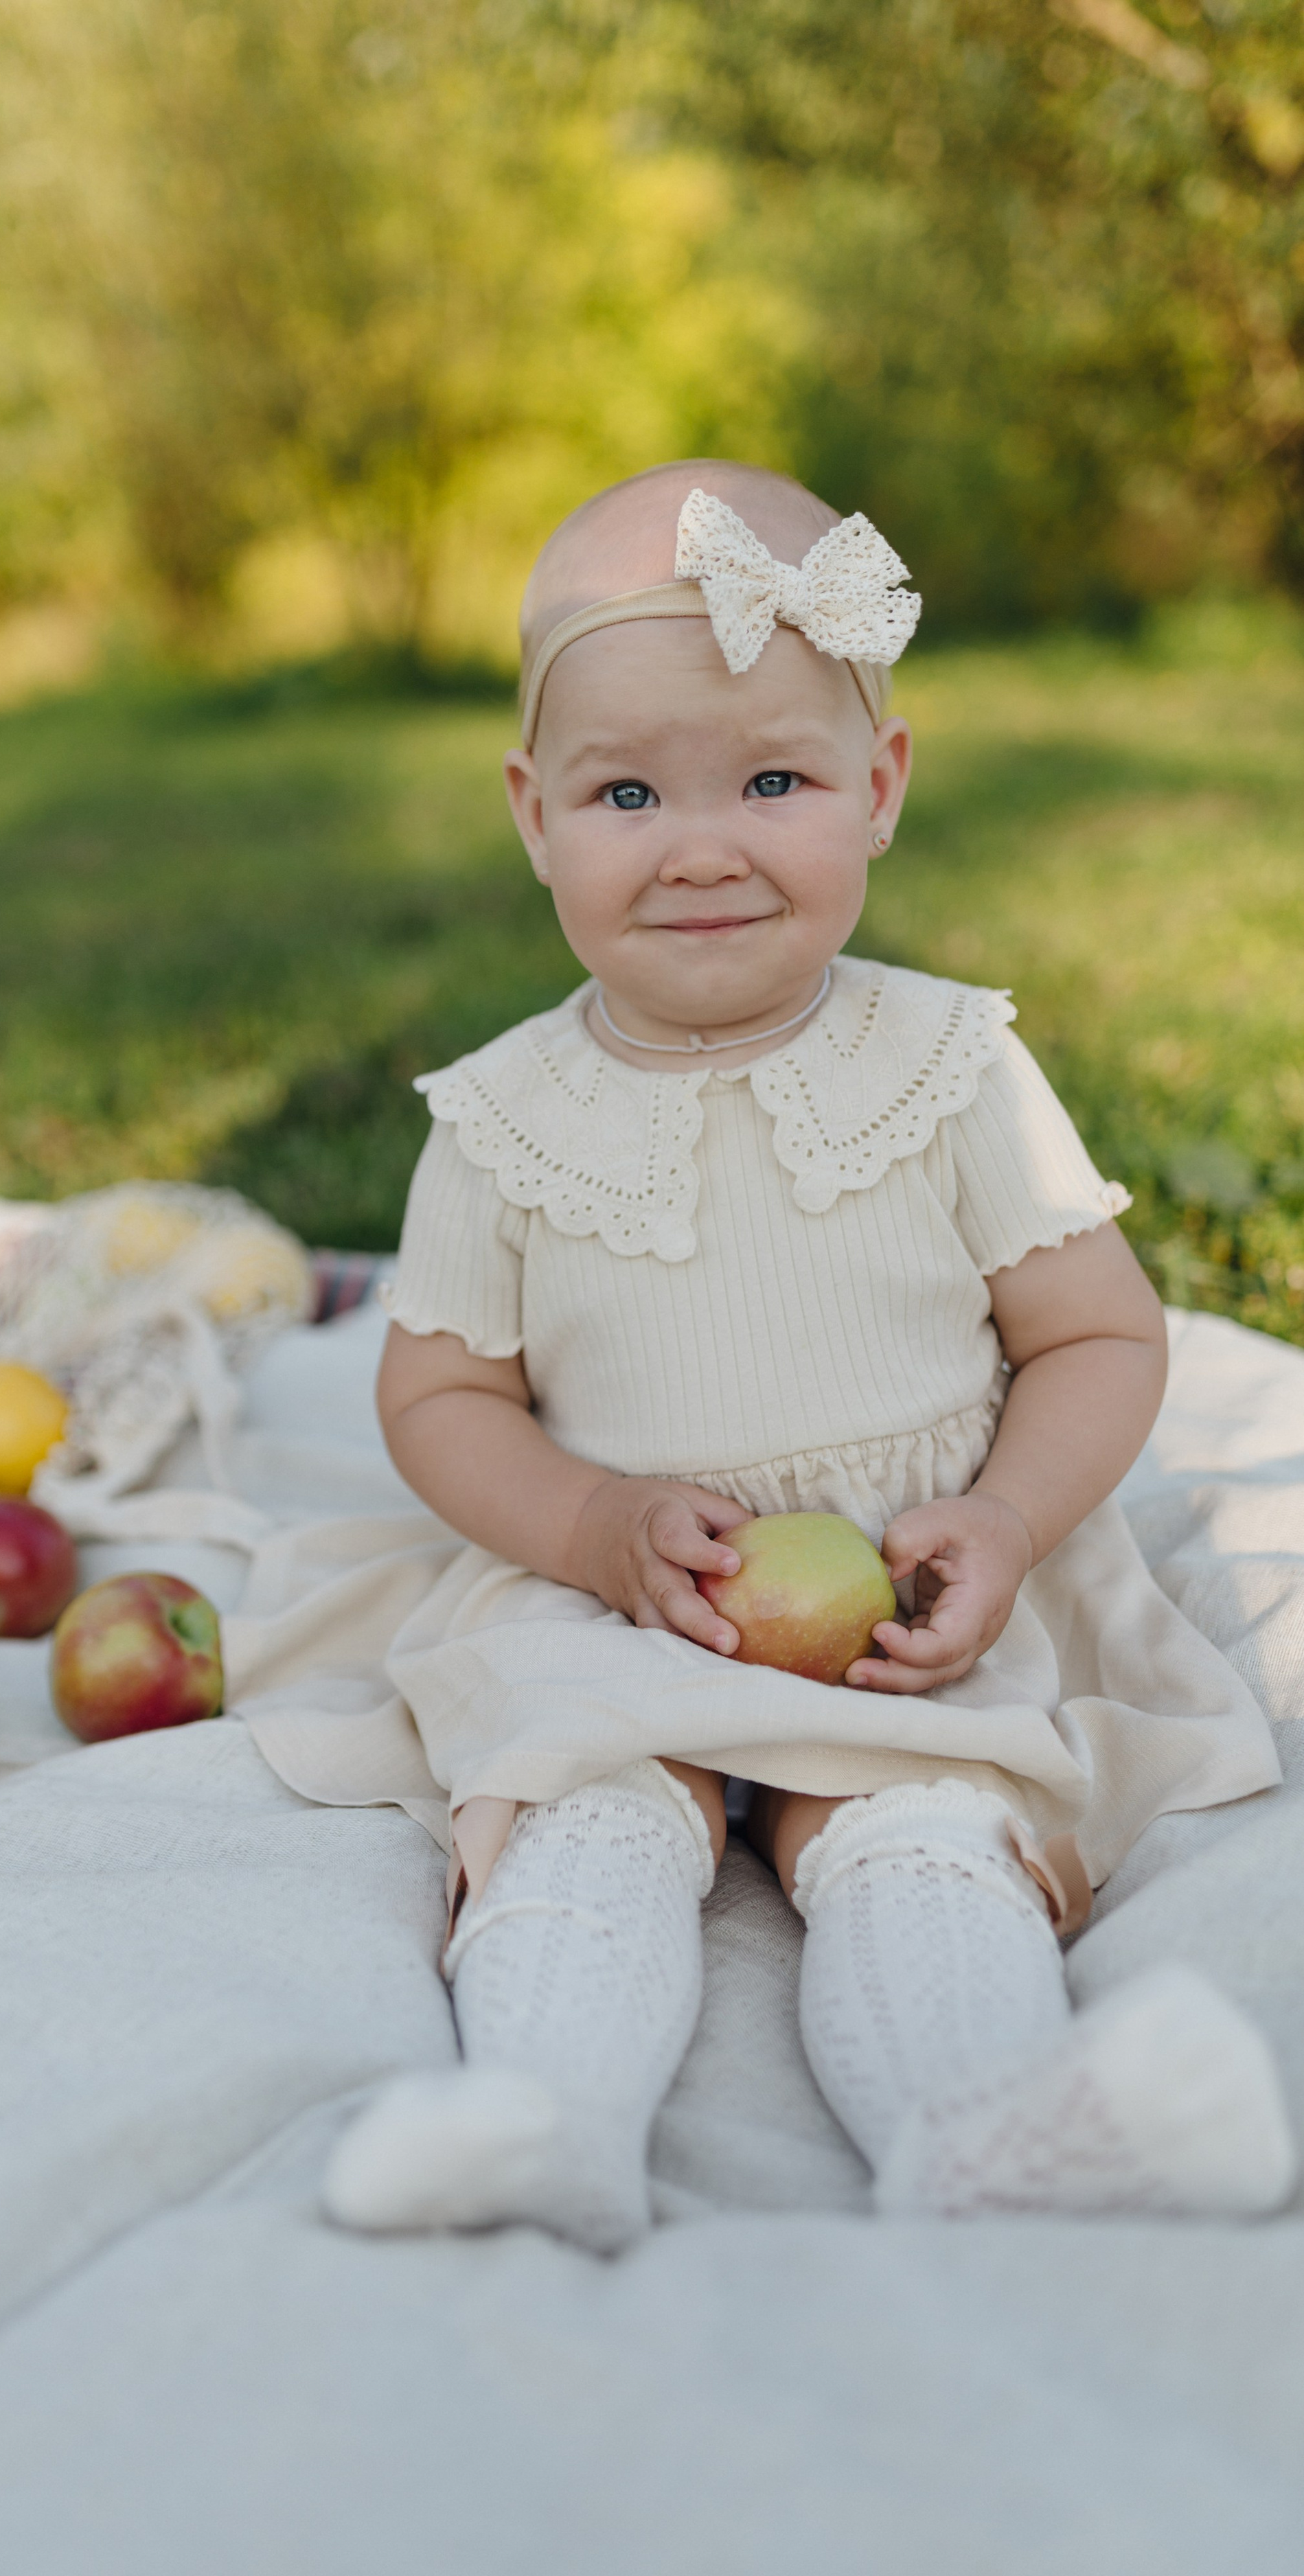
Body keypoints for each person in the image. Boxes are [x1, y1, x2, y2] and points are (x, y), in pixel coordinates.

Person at [243, 459, 1295, 2249]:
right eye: (629, 790)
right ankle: (543, 2114)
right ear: (533, 816)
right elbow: (437, 1396)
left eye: (776, 780)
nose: (704, 841)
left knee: (915, 1828)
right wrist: (582, 1529)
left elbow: (1098, 1335)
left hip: (905, 1578)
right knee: (587, 1805)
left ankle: (989, 2126)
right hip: (621, 1574)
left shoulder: (953, 1068)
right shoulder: (502, 1119)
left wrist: (1014, 1525)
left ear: (880, 789)